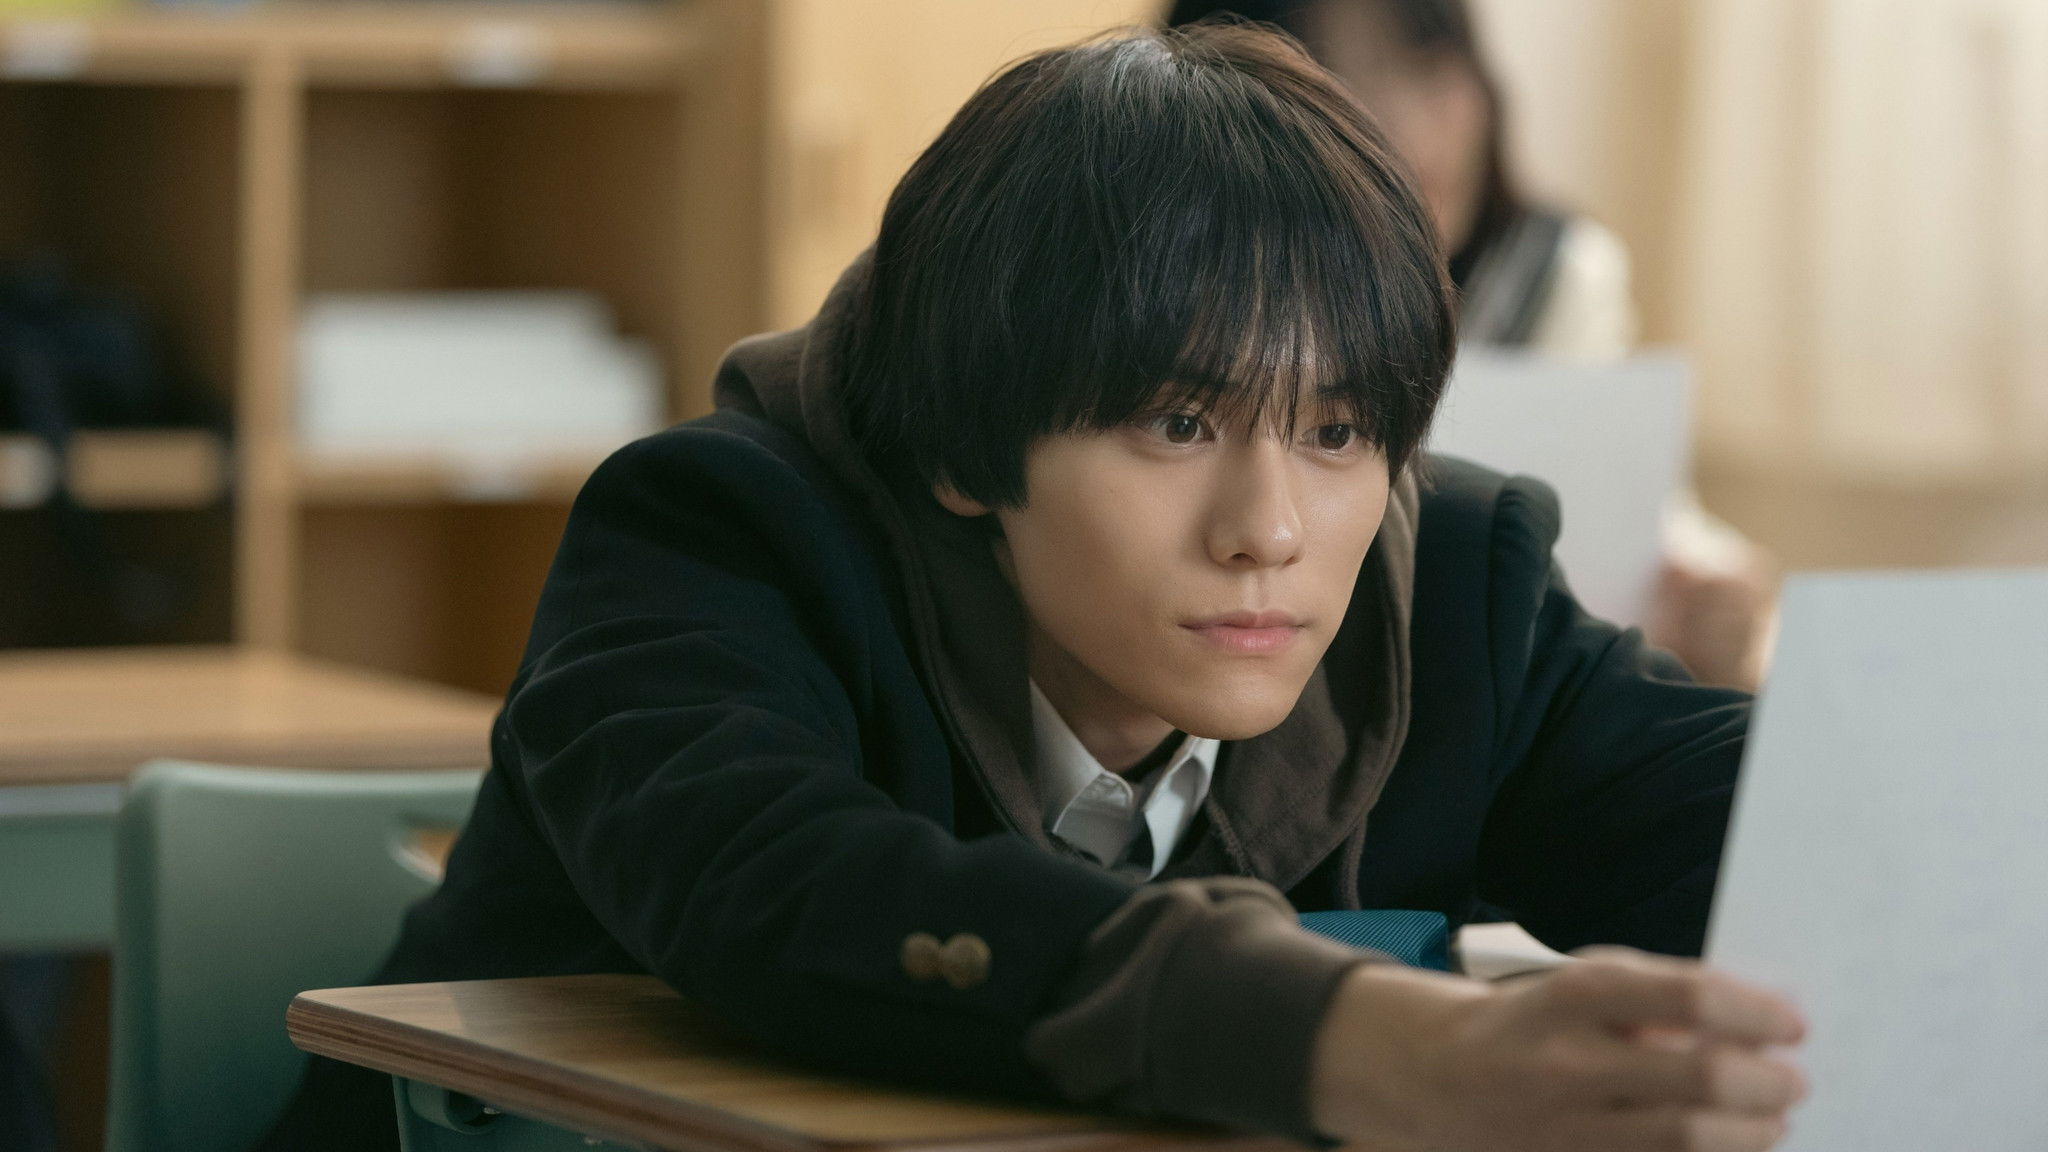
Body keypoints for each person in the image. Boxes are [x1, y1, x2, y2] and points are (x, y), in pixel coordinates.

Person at [261, 25, 1804, 1152]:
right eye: (1178, 424)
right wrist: (1368, 1046)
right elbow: (788, 895)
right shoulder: (716, 535)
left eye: (1338, 431)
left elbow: (1786, 839)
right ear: (964, 447)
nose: (1269, 528)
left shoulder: (1452, 582)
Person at [1168, 0, 1780, 693]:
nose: (1406, 124)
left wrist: (1711, 588)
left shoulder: (1552, 272)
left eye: (1430, 71)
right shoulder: (1179, 296)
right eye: (1337, 82)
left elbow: (1634, 505)